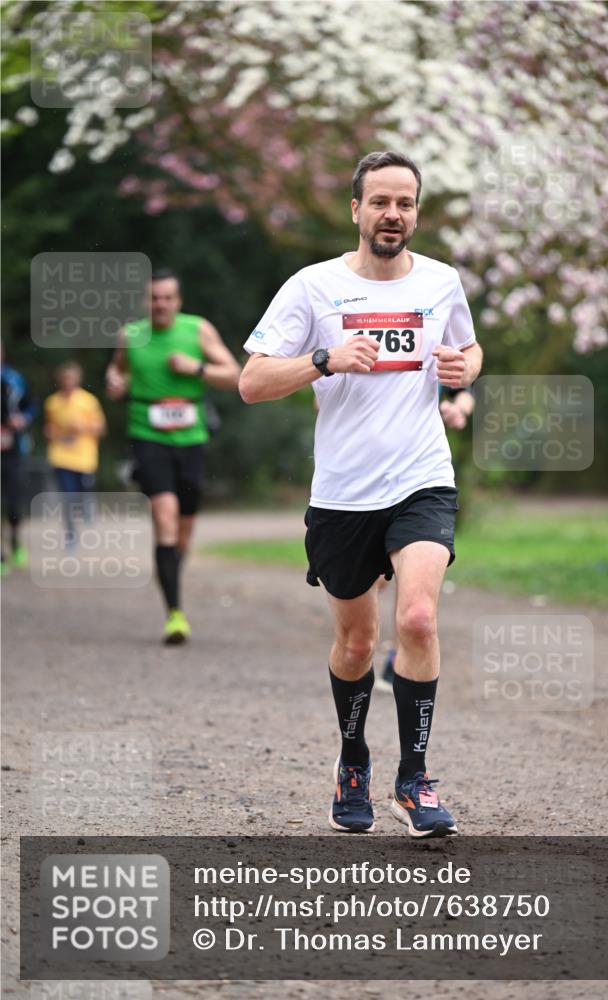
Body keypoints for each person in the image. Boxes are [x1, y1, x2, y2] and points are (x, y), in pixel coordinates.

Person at [240, 151, 483, 838]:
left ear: (416, 212)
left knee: (415, 619)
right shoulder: (312, 288)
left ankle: (414, 779)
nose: (392, 214)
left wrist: (464, 367)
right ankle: (353, 762)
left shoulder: (440, 283)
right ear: (355, 209)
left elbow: (468, 349)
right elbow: (251, 383)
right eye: (379, 201)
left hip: (421, 479)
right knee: (355, 642)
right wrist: (323, 358)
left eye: (404, 203)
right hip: (344, 495)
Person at [105, 269, 240, 645]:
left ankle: (170, 568)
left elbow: (235, 375)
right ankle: (175, 615)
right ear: (144, 302)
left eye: (167, 297)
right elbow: (118, 372)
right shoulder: (130, 335)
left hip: (191, 436)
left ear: (177, 301)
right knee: (163, 515)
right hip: (147, 434)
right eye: (153, 298)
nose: (160, 304)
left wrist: (195, 367)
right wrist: (115, 382)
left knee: (184, 526)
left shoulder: (197, 330)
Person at [376, 386, 476, 693]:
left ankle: (396, 655)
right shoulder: (349, 342)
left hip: (420, 480)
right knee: (377, 581)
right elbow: (320, 399)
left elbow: (465, 389)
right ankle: (359, 647)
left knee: (414, 588)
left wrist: (459, 408)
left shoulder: (431, 343)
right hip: (363, 481)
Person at [43, 361, 106, 547]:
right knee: (67, 496)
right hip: (61, 455)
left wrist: (83, 426)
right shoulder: (52, 402)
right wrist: (52, 432)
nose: (68, 381)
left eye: (72, 377)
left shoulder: (88, 401)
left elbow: (101, 428)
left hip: (84, 456)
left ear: (78, 379)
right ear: (60, 379)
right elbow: (48, 428)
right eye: (65, 377)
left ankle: (87, 506)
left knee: (82, 491)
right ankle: (71, 533)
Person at [1, 347, 35, 573]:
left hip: (12, 450)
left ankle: (14, 540)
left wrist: (23, 419)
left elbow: (32, 406)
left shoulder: (15, 380)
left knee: (14, 502)